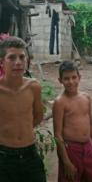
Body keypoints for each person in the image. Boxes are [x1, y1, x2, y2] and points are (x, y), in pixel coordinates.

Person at [0, 36, 46, 181]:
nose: (18, 62)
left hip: (30, 155)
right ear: (1, 62)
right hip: (4, 158)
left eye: (22, 57)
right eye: (12, 58)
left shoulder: (34, 87)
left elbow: (38, 115)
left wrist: (23, 128)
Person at [52, 61, 92, 182]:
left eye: (74, 77)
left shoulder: (86, 98)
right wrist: (66, 162)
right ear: (60, 80)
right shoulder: (60, 102)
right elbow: (58, 135)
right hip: (71, 150)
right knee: (70, 176)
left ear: (79, 77)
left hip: (88, 147)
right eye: (66, 79)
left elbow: (91, 124)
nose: (71, 82)